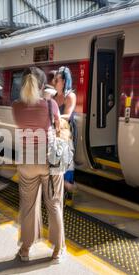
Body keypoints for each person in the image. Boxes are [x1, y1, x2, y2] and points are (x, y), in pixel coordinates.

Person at [12, 67, 65, 263]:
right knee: (54, 204)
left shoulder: (16, 106)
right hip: (49, 161)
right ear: (43, 85)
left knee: (27, 206)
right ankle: (57, 251)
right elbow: (58, 127)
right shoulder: (50, 105)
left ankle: (25, 249)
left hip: (26, 160)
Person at [54, 66, 77, 195]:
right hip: (55, 132)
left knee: (67, 162)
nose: (54, 82)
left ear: (64, 81)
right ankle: (59, 189)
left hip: (66, 132)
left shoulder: (70, 96)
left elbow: (67, 115)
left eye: (57, 80)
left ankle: (68, 191)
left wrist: (52, 116)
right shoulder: (53, 96)